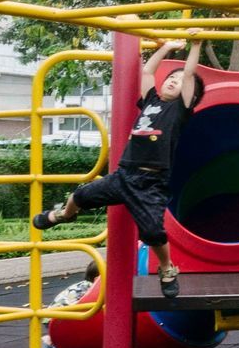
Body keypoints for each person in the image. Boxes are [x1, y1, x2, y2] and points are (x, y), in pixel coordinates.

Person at [33, 33, 204, 298]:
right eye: (172, 76)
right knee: (80, 195)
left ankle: (167, 267)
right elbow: (147, 71)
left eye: (180, 81)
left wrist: (195, 46)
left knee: (153, 231)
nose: (174, 80)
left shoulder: (180, 110)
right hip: (123, 175)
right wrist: (167, 48)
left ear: (188, 95)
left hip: (150, 182)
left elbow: (191, 74)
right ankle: (64, 215)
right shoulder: (152, 102)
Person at [41, 260, 101, 348]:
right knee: (69, 336)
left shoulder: (83, 285)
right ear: (97, 279)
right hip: (60, 319)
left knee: (59, 346)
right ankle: (49, 339)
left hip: (54, 317)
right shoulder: (91, 290)